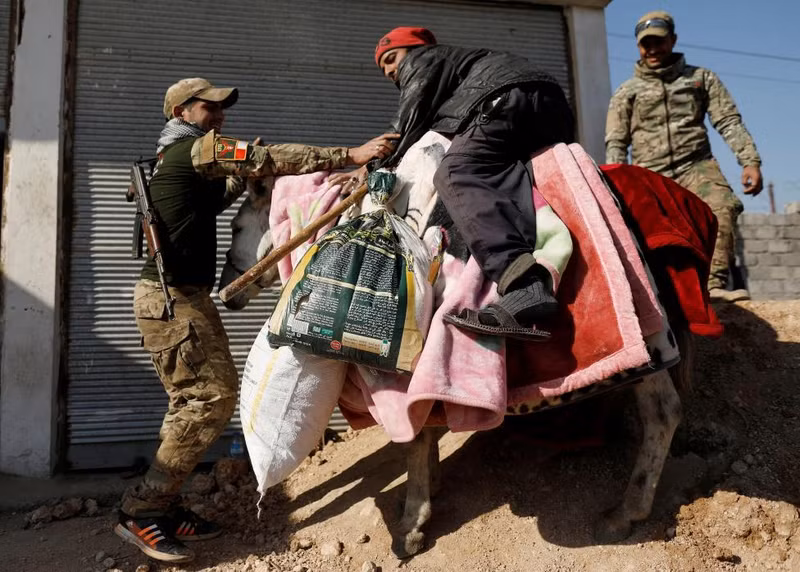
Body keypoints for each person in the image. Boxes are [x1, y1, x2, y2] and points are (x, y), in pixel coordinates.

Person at [115, 77, 397, 563]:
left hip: (179, 298)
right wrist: (350, 155)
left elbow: (212, 200)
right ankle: (141, 511)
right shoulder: (196, 150)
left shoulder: (174, 159)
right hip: (172, 300)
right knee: (209, 399)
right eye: (209, 107)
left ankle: (162, 505)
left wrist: (239, 179)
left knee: (190, 402)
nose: (220, 115)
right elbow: (271, 159)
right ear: (182, 113)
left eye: (222, 108)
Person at [332, 27, 575, 339]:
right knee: (503, 177)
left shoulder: (424, 59)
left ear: (415, 48)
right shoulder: (456, 69)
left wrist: (370, 166)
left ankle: (524, 283)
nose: (390, 70)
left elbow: (409, 119)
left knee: (455, 171)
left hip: (505, 96)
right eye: (383, 68)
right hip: (549, 106)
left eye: (391, 58)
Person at [605, 11, 763, 303]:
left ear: (673, 40)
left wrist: (749, 161)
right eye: (646, 44)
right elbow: (616, 142)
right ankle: (659, 297)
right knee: (641, 230)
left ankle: (713, 287)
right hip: (649, 174)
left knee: (723, 206)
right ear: (638, 47)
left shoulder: (700, 79)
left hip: (696, 165)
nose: (653, 49)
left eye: (659, 42)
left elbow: (728, 121)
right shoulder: (627, 92)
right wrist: (614, 188)